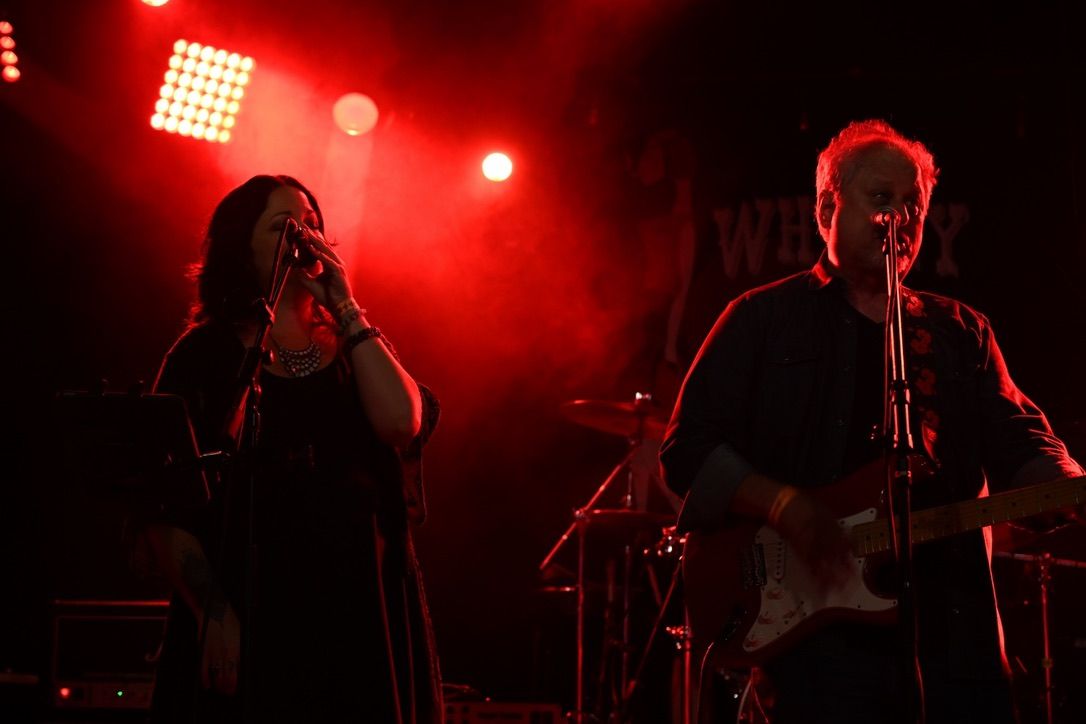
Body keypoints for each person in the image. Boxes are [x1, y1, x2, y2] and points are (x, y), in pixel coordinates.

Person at [659, 120, 1083, 723]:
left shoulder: (960, 331)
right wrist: (786, 506)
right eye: (881, 198)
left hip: (951, 636)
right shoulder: (760, 319)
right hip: (816, 645)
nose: (899, 219)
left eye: (913, 206)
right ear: (826, 209)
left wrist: (1061, 480)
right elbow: (687, 450)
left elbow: (1021, 441)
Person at [145, 175, 442, 723]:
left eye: (313, 225)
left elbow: (403, 422)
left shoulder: (356, 345)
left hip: (360, 612)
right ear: (242, 247)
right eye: (285, 226)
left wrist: (347, 307)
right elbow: (163, 506)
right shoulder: (203, 356)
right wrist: (213, 612)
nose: (305, 238)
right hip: (250, 608)